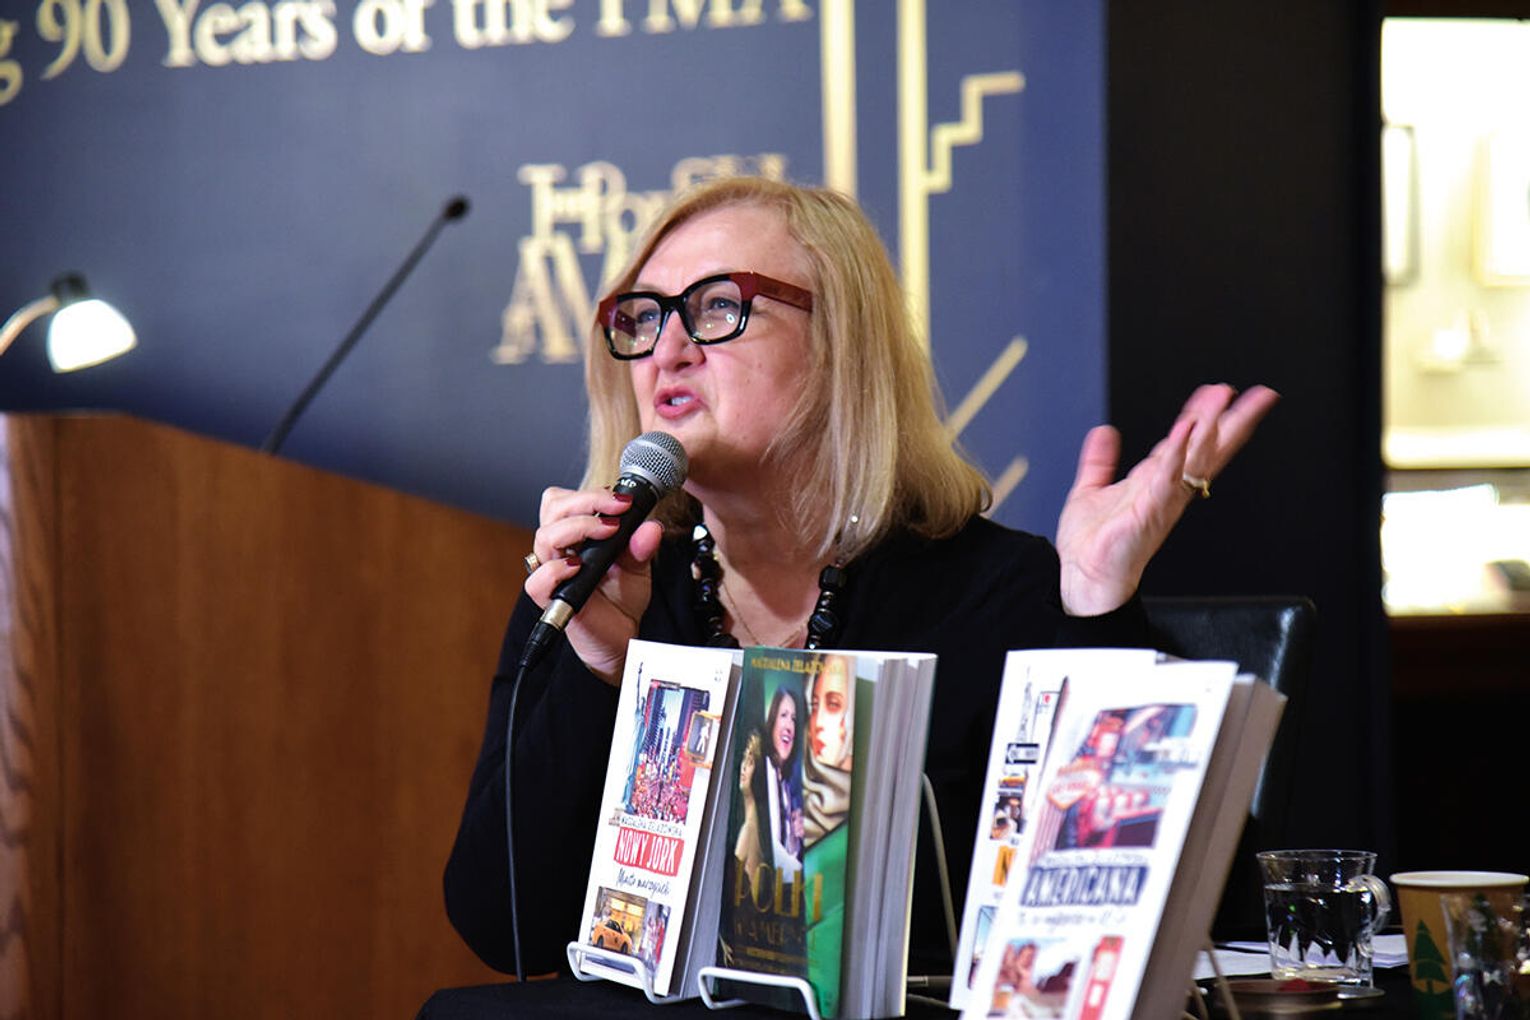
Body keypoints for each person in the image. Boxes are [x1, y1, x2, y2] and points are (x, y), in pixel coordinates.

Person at [442, 176, 1278, 978]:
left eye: (719, 307)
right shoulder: (598, 593)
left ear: (842, 344)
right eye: (643, 316)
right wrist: (601, 672)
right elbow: (503, 927)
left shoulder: (999, 592)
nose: (667, 350)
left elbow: (1194, 910)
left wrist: (1095, 613)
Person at [732, 685, 805, 892]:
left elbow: (785, 852)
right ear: (772, 722)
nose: (789, 725)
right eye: (784, 715)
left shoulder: (787, 787)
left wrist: (797, 839)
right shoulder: (763, 771)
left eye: (794, 719)